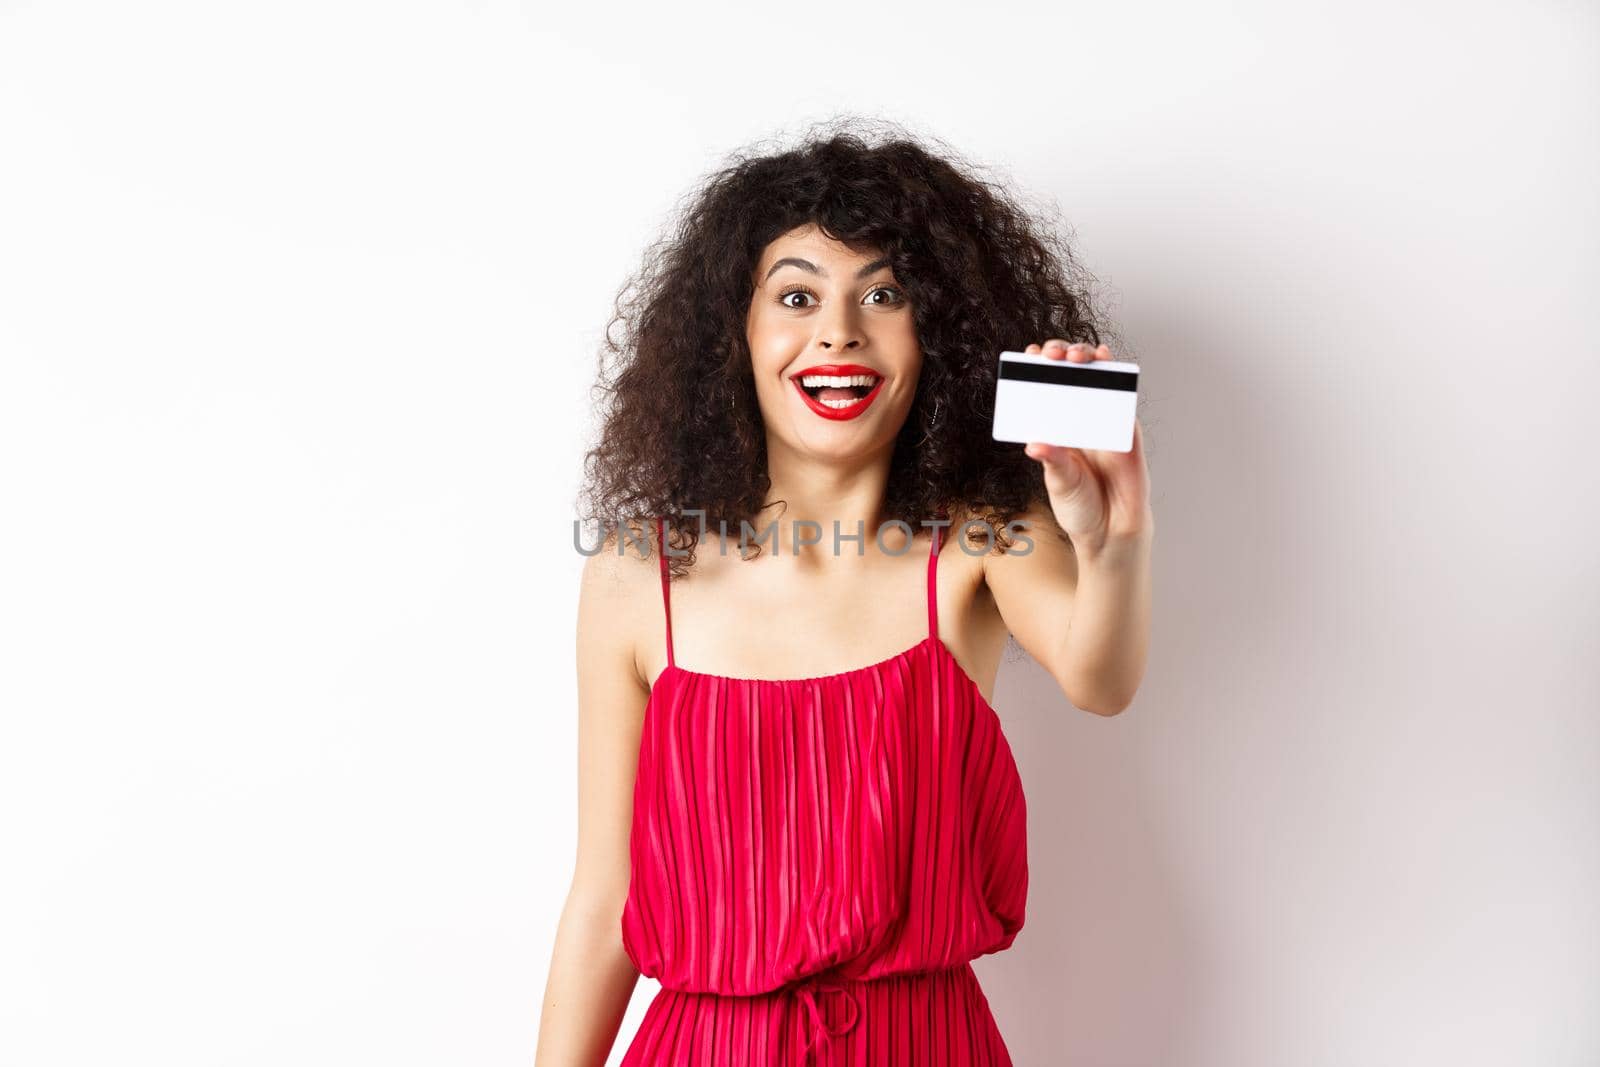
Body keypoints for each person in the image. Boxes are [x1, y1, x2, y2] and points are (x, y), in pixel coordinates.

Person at [536, 118, 1154, 1066]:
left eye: (885, 293)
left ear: (936, 334)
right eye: (795, 294)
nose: (838, 331)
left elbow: (1100, 680)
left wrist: (1113, 543)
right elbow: (604, 898)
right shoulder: (636, 573)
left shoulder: (982, 538)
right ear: (731, 335)